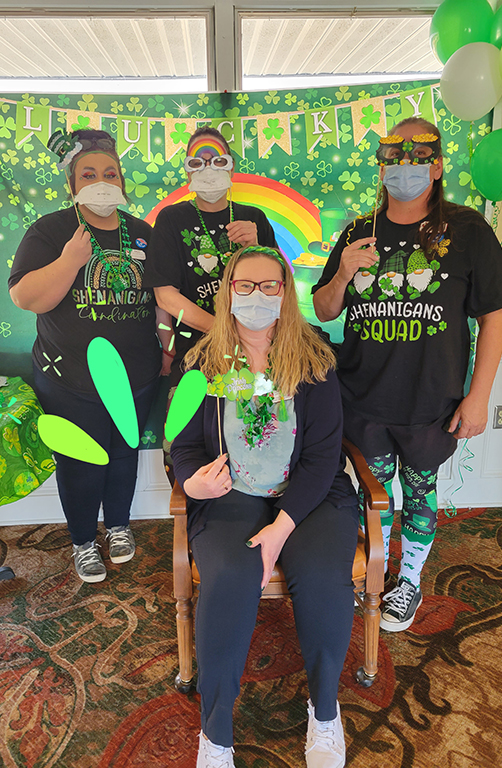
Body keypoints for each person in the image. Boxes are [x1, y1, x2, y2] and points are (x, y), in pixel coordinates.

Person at [312, 117, 502, 632]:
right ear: (381, 168)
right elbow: (325, 308)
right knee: (370, 492)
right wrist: (342, 272)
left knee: (420, 489)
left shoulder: (467, 230)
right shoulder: (359, 230)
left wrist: (479, 396)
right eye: (394, 159)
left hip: (432, 401)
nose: (405, 168)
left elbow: (493, 316)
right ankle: (370, 570)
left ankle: (410, 580)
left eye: (417, 158)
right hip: (364, 397)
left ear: (437, 165)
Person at [171, 245, 358, 768]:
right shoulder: (202, 363)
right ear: (228, 292)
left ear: (285, 294)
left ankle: (324, 713)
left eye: (269, 286)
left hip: (310, 500)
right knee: (229, 577)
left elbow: (323, 459)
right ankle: (216, 735)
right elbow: (183, 448)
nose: (256, 296)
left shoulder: (315, 362)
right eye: (245, 286)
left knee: (323, 576)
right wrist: (193, 484)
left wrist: (281, 528)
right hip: (231, 498)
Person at [9, 128, 169, 584]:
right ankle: (83, 539)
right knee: (80, 461)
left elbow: (160, 299)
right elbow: (26, 298)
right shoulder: (51, 230)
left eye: (110, 172)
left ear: (122, 179)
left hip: (134, 376)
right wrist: (69, 260)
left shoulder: (142, 233)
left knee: (123, 454)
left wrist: (166, 346)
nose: (102, 180)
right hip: (69, 379)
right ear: (72, 183)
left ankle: (118, 526)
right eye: (89, 173)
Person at [144, 126, 277, 389]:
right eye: (197, 162)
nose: (209, 169)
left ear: (231, 167)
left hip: (257, 353)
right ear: (187, 171)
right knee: (191, 429)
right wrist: (225, 332)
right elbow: (166, 297)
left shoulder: (255, 218)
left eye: (218, 161)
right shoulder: (171, 219)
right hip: (196, 354)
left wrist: (255, 247)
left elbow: (278, 289)